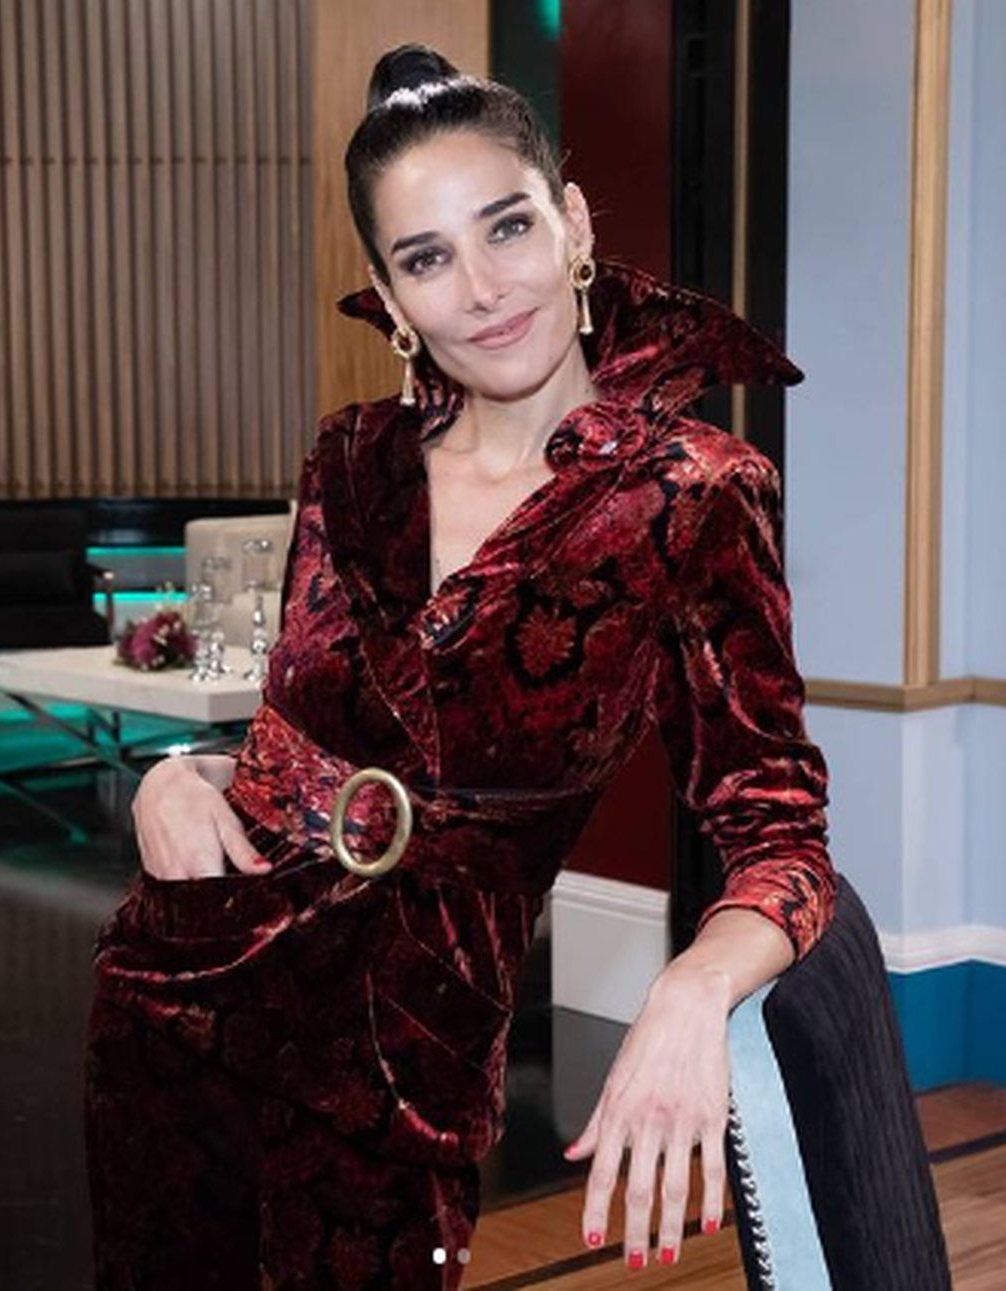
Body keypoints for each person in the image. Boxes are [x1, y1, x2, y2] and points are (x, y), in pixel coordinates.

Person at [86, 45, 842, 1289]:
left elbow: (783, 837)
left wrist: (694, 990)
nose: (485, 289)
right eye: (428, 258)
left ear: (573, 221)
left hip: (404, 1079)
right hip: (179, 1004)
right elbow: (309, 733)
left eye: (508, 226)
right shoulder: (352, 459)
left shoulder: (693, 495)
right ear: (390, 296)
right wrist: (182, 774)